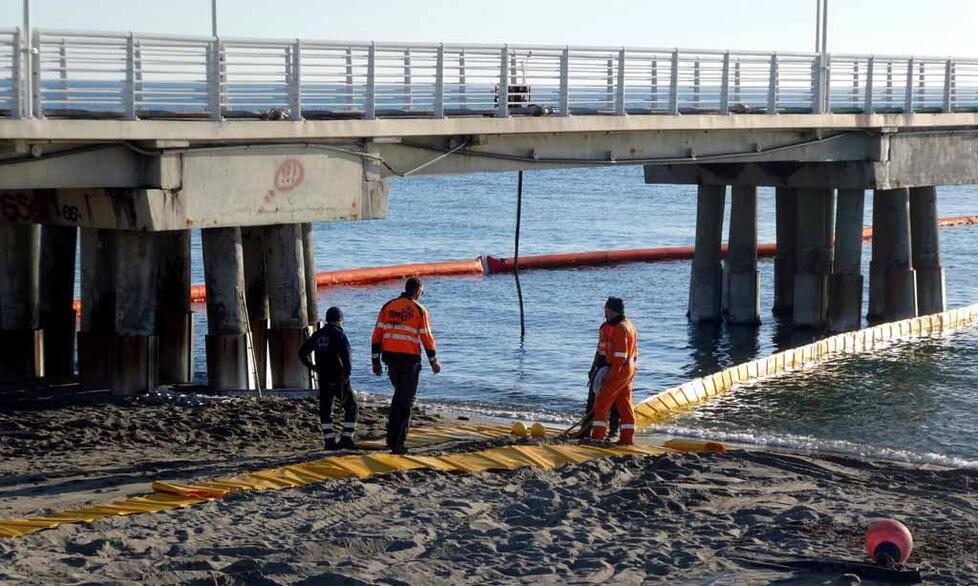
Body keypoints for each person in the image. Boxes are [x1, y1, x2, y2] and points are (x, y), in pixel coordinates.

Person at [371, 278, 441, 454]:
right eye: (422, 291)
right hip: (409, 360)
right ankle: (398, 443)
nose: (422, 294)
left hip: (390, 359)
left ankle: (391, 438)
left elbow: (377, 334)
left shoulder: (388, 306)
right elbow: (426, 338)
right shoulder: (419, 310)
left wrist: (375, 361)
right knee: (406, 401)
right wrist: (434, 362)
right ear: (417, 291)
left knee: (399, 397)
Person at [298, 306, 359, 450]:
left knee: (325, 409)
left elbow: (302, 353)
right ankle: (346, 438)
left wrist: (312, 366)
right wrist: (347, 373)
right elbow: (347, 356)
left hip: (323, 377)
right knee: (352, 406)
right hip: (339, 377)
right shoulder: (339, 334)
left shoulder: (318, 334)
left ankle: (329, 441)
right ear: (339, 321)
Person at [589, 297, 638, 445]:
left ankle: (598, 437)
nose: (605, 313)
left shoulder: (621, 328)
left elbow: (619, 356)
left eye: (607, 310)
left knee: (602, 402)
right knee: (624, 402)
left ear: (612, 310)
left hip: (619, 369)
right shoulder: (628, 325)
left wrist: (610, 374)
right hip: (628, 368)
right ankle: (627, 438)